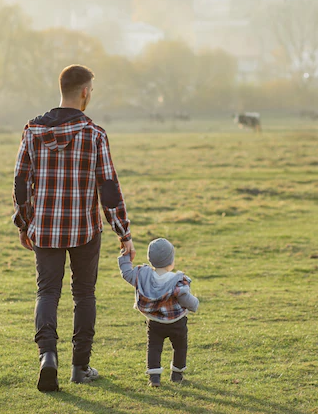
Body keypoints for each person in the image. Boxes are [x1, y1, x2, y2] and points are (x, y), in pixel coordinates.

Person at [12, 64, 134, 392]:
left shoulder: (33, 131)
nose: (90, 95)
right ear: (84, 92)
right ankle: (80, 367)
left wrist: (24, 223)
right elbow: (108, 187)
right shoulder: (94, 134)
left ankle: (47, 357)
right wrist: (123, 232)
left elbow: (21, 183)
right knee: (84, 294)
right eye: (91, 90)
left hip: (46, 229)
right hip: (85, 229)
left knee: (47, 292)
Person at [118, 238, 199, 387]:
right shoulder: (177, 280)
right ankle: (177, 375)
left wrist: (125, 257)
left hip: (154, 323)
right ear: (171, 261)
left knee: (154, 347)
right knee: (180, 347)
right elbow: (186, 299)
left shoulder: (143, 276)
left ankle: (154, 378)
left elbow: (127, 273)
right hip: (177, 323)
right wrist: (195, 304)